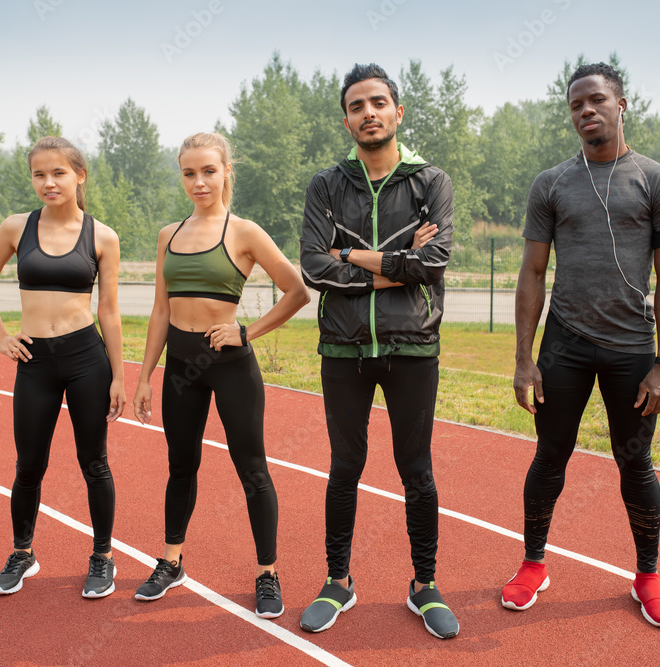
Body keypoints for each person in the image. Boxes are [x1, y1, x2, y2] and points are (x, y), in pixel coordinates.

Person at [506, 62, 660, 628]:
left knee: (635, 466)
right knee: (549, 457)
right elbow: (532, 273)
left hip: (631, 351)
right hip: (565, 347)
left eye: (596, 100)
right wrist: (524, 358)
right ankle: (533, 564)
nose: (585, 110)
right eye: (575, 104)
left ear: (621, 103)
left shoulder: (659, 182)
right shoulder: (551, 183)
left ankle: (648, 576)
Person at [298, 63, 459, 640]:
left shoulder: (430, 182)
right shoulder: (326, 185)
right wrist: (395, 268)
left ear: (396, 111)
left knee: (417, 470)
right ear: (346, 120)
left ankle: (424, 585)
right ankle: (338, 580)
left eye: (378, 102)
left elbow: (433, 265)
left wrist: (353, 255)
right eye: (357, 105)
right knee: (345, 468)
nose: (368, 112)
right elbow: (314, 266)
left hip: (412, 347)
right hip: (343, 349)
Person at [131, 132, 309, 619]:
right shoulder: (169, 234)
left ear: (227, 170)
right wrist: (145, 375)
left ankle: (267, 572)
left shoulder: (244, 231)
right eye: (189, 173)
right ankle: (172, 562)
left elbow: (297, 292)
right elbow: (159, 311)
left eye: (208, 171)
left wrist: (247, 331)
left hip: (230, 366)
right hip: (180, 367)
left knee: (252, 469)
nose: (199, 182)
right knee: (180, 466)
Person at [0, 136, 125, 598]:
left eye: (58, 172)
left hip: (86, 359)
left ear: (79, 175)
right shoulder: (15, 227)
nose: (48, 182)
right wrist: (0, 335)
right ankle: (23, 554)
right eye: (39, 174)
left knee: (93, 462)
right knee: (28, 465)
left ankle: (102, 558)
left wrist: (119, 375)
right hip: (35, 360)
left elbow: (110, 311)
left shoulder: (102, 236)